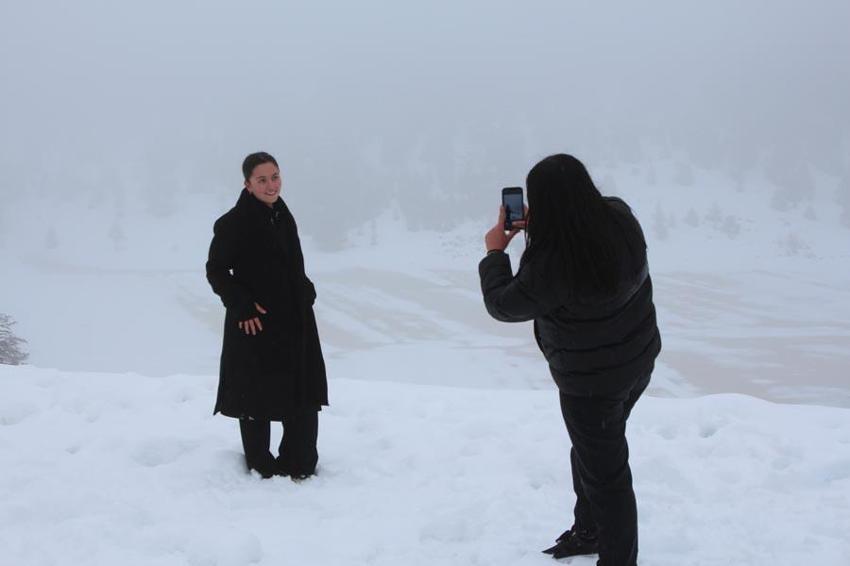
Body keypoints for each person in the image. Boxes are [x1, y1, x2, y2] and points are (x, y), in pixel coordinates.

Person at [479, 154, 661, 566]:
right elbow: (581, 251)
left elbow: (503, 304)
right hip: (637, 359)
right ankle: (589, 529)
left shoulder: (554, 263)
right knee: (594, 453)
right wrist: (542, 229)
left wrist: (495, 252)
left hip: (591, 385)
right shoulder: (619, 218)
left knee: (608, 477)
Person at [206, 151, 328, 480]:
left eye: (275, 177)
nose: (271, 185)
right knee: (255, 397)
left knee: (301, 393)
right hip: (255, 324)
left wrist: (305, 288)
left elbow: (289, 263)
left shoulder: (282, 215)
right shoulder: (233, 223)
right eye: (262, 180)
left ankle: (298, 462)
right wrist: (241, 304)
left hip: (294, 321)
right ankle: (261, 469)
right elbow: (216, 270)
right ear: (247, 184)